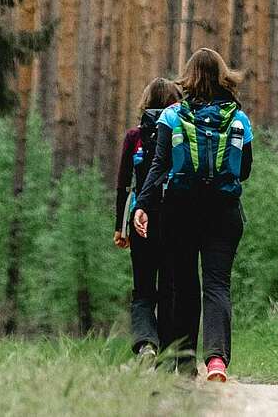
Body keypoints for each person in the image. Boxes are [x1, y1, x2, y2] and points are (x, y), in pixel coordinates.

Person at [133, 48, 254, 382]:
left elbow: (158, 167)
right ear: (222, 76)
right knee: (217, 285)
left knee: (184, 286)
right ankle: (216, 360)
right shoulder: (238, 118)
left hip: (180, 211)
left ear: (188, 77)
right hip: (224, 212)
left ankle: (185, 365)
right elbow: (243, 171)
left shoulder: (171, 116)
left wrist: (142, 205)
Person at [114, 78, 184, 362]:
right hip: (174, 218)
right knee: (169, 287)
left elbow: (123, 184)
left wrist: (120, 227)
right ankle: (167, 354)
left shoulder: (135, 136)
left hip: (140, 219)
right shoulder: (182, 132)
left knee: (143, 289)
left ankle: (146, 344)